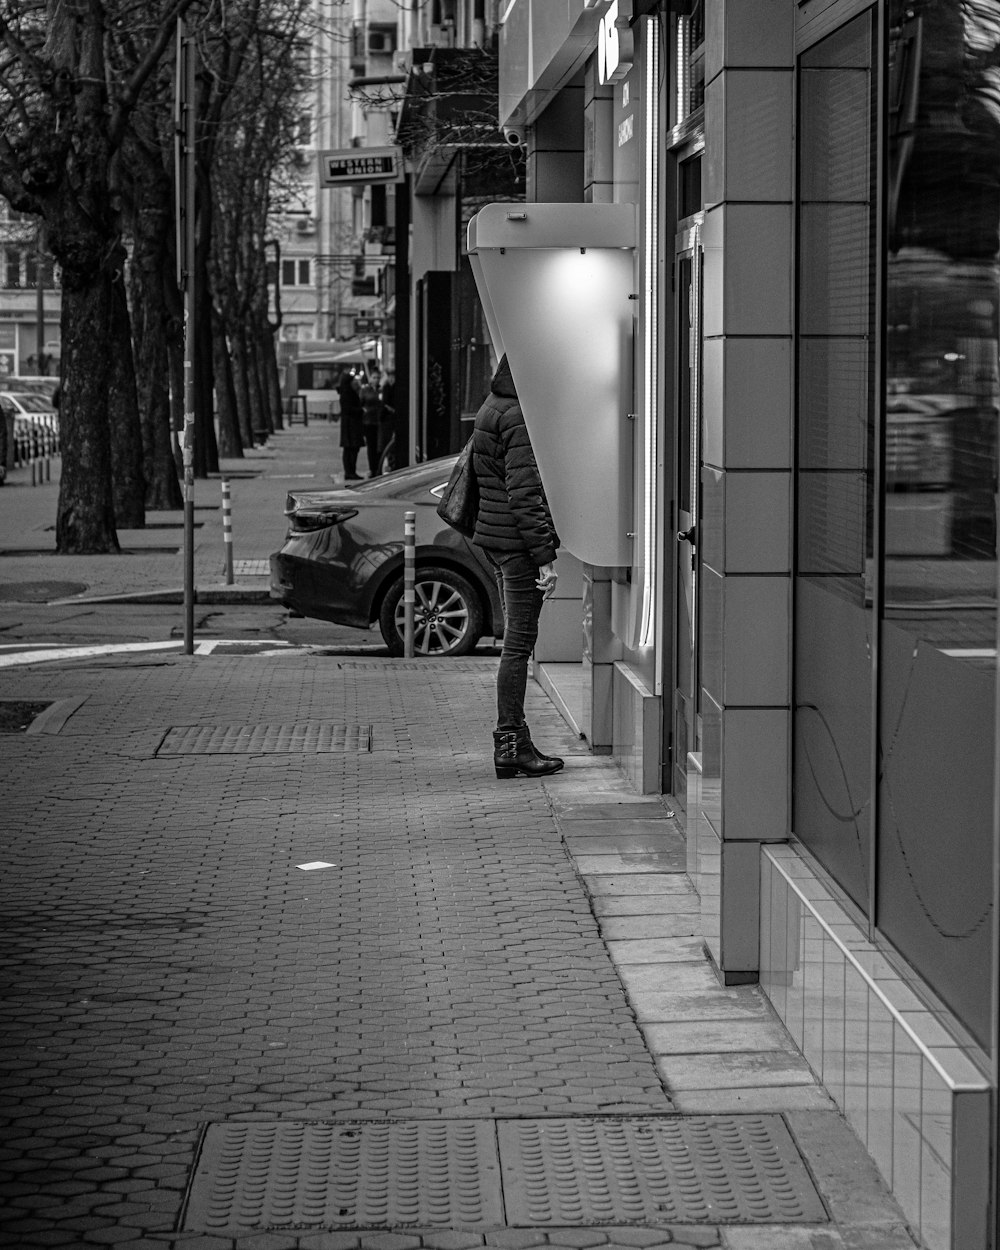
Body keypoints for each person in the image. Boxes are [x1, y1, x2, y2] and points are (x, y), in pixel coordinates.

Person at [471, 354, 563, 779]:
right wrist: (544, 558)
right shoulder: (519, 416)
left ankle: (513, 742)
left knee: (516, 642)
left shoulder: (493, 404)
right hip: (517, 546)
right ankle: (511, 744)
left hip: (495, 539)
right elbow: (524, 495)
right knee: (518, 645)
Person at [338, 369, 364, 480]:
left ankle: (349, 471)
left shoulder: (345, 392)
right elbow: (349, 409)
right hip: (352, 425)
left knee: (349, 449)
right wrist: (361, 410)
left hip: (348, 424)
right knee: (352, 449)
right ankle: (350, 472)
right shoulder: (348, 393)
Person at [359, 369, 383, 477]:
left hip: (379, 421)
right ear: (370, 379)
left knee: (380, 446)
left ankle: (378, 468)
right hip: (368, 422)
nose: (376, 380)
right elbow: (361, 403)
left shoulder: (381, 390)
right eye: (374, 377)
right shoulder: (365, 390)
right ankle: (372, 469)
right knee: (371, 447)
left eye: (378, 378)